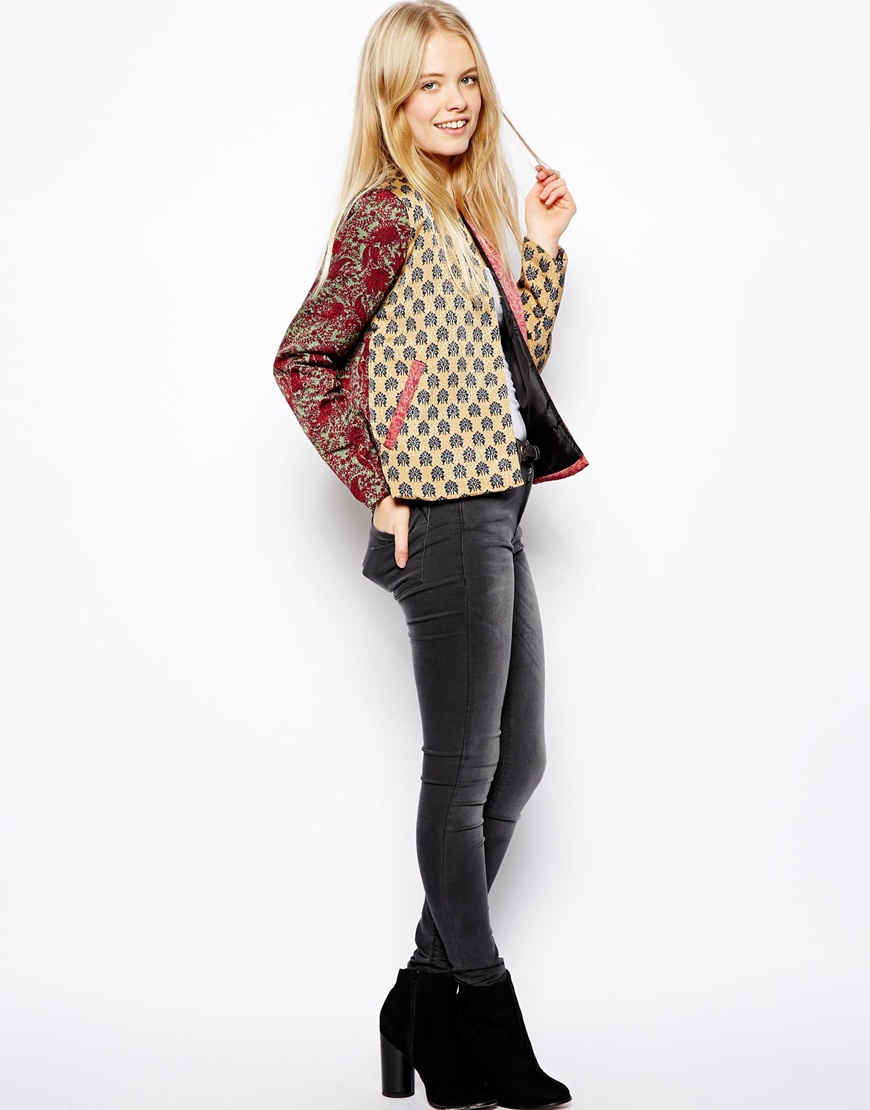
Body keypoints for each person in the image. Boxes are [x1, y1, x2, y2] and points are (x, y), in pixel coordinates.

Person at [272, 3, 588, 1107]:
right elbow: (303, 358)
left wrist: (539, 249)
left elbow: (514, 363)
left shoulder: (459, 210)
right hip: (441, 517)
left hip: (497, 507)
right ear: (392, 99)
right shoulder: (385, 215)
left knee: (519, 764)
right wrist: (378, 484)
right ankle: (480, 1013)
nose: (455, 101)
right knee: (460, 778)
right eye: (430, 84)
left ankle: (419, 993)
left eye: (467, 79)